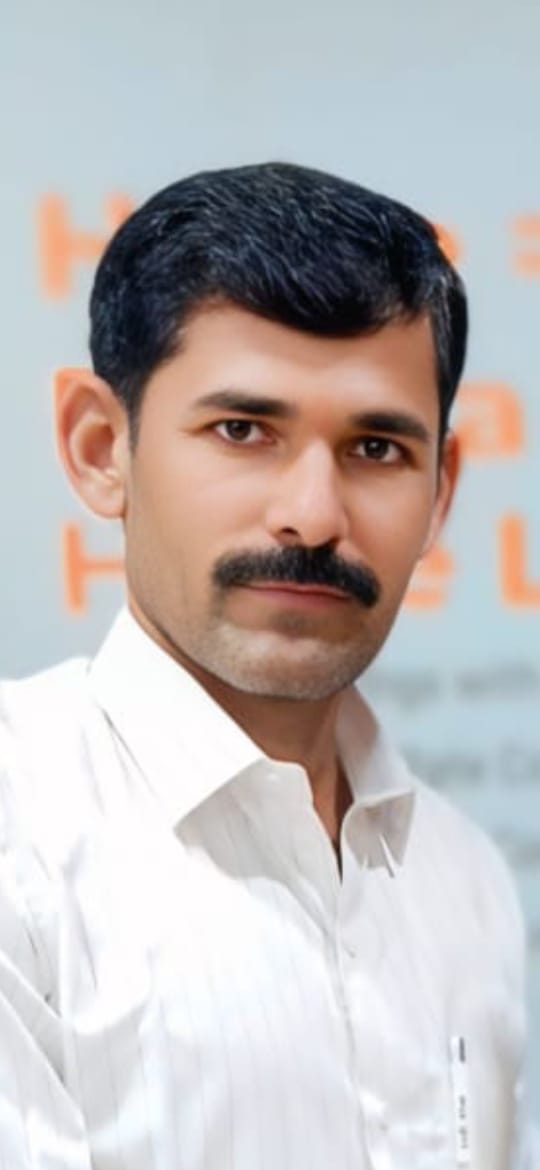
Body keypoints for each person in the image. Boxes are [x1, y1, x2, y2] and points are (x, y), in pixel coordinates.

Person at [0, 162, 533, 1169]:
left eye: (376, 449)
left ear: (441, 490)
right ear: (101, 447)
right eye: (243, 430)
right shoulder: (19, 837)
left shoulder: (464, 879)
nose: (314, 516)